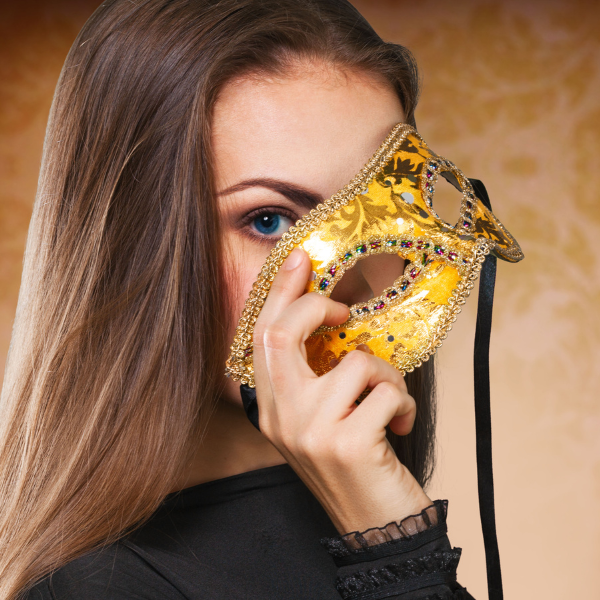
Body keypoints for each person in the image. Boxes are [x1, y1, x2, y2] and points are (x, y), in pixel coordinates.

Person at [0, 1, 475, 598]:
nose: (350, 278)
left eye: (384, 213)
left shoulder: (377, 507)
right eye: (270, 220)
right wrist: (401, 561)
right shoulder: (93, 589)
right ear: (132, 244)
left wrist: (395, 539)